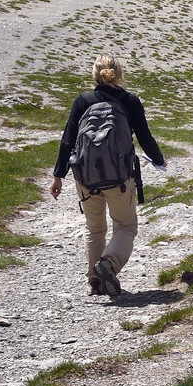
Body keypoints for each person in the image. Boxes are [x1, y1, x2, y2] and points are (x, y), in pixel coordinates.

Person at [51, 54, 166, 298]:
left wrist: (58, 175)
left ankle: (95, 282)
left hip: (85, 177)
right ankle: (109, 265)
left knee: (94, 228)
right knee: (125, 226)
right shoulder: (130, 101)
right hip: (120, 178)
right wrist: (158, 160)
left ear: (95, 74)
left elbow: (67, 141)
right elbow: (145, 137)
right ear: (120, 74)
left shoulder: (83, 101)